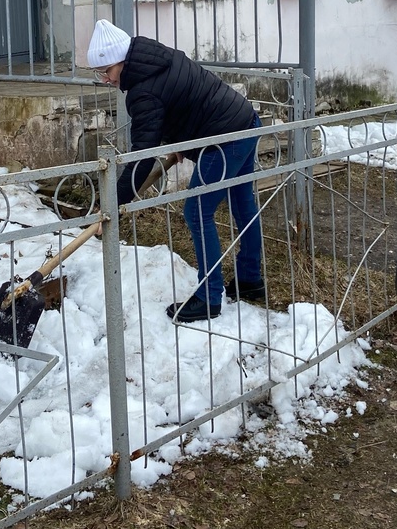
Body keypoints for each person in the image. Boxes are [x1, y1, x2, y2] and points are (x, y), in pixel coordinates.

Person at [86, 19, 264, 323]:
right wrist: (178, 140)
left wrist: (111, 203)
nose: (105, 80)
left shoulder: (142, 91)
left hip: (224, 140)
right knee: (242, 200)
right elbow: (182, 100)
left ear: (121, 60)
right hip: (244, 121)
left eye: (106, 71)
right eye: (99, 73)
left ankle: (209, 298)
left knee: (197, 211)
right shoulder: (155, 56)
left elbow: (141, 157)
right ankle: (250, 279)